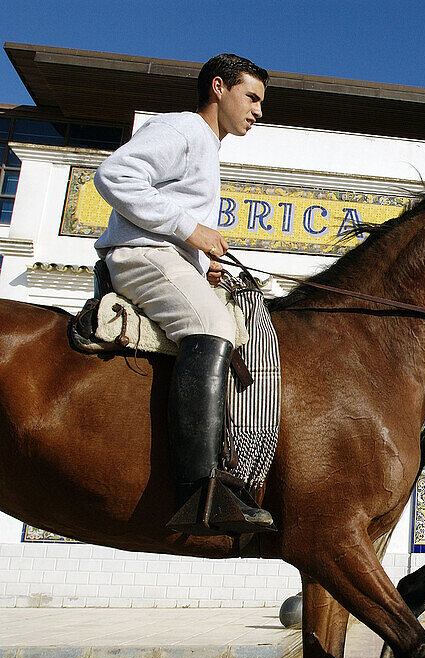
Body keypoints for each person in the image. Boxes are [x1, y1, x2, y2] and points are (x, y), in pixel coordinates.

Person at [93, 54, 274, 535]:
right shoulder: (182, 130)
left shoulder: (208, 148)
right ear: (219, 87)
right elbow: (113, 176)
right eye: (251, 97)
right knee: (213, 325)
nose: (258, 110)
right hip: (138, 255)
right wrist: (191, 230)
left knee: (236, 320)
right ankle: (201, 491)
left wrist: (201, 264)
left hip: (162, 256)